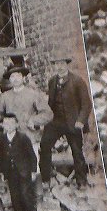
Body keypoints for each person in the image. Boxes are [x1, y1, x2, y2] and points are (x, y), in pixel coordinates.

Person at [39, 55, 91, 189]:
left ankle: (82, 181)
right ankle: (46, 179)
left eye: (62, 63)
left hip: (73, 122)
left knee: (76, 151)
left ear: (67, 64)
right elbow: (50, 103)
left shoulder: (77, 81)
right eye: (57, 64)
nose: (60, 66)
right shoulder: (52, 81)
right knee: (44, 145)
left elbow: (86, 104)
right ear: (54, 66)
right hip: (55, 121)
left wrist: (80, 121)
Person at [0, 113, 37, 211]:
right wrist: (2, 172)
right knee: (14, 196)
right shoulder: (2, 139)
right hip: (11, 172)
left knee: (25, 193)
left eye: (11, 123)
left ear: (16, 125)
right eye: (6, 123)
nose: (8, 126)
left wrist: (33, 171)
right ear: (3, 125)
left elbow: (32, 156)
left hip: (24, 171)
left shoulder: (23, 138)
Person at [0, 64, 50, 149]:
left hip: (30, 136)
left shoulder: (33, 94)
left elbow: (48, 114)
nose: (15, 79)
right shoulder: (5, 96)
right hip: (11, 137)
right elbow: (0, 115)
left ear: (23, 77)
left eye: (18, 76)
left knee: (32, 160)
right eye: (12, 76)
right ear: (9, 79)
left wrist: (33, 120)